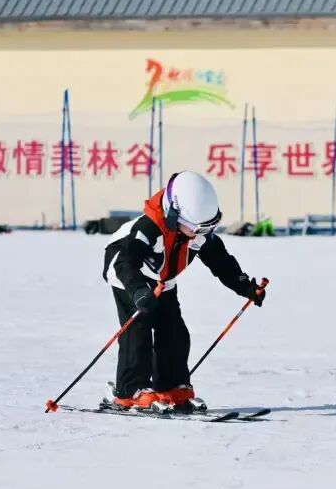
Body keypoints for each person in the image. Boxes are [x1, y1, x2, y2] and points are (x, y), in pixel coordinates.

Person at [102, 171, 266, 411]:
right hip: (127, 274)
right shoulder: (149, 229)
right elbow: (125, 262)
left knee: (175, 331)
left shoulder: (197, 233)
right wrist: (138, 291)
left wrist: (247, 287)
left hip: (162, 276)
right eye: (195, 227)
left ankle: (170, 385)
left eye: (208, 227)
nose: (201, 233)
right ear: (172, 215)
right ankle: (129, 390)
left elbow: (220, 262)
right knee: (138, 331)